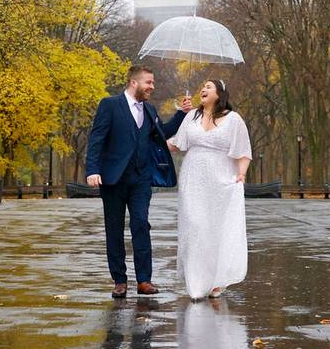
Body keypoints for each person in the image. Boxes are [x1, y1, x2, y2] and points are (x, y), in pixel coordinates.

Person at [86, 65, 193, 298]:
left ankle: (144, 280)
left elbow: (162, 132)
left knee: (141, 225)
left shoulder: (150, 109)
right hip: (112, 179)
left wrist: (182, 115)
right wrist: (92, 170)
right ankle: (119, 281)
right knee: (114, 229)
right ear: (134, 83)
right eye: (149, 83)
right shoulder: (110, 105)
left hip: (141, 180)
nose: (152, 87)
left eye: (152, 83)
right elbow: (97, 139)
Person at [168, 79, 251, 300]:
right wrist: (152, 132)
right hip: (193, 179)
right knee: (195, 225)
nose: (203, 90)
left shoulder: (233, 120)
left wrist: (241, 174)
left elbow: (243, 152)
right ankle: (196, 282)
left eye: (209, 87)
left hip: (221, 179)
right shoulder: (191, 116)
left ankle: (217, 280)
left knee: (216, 228)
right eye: (202, 87)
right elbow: (176, 144)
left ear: (220, 93)